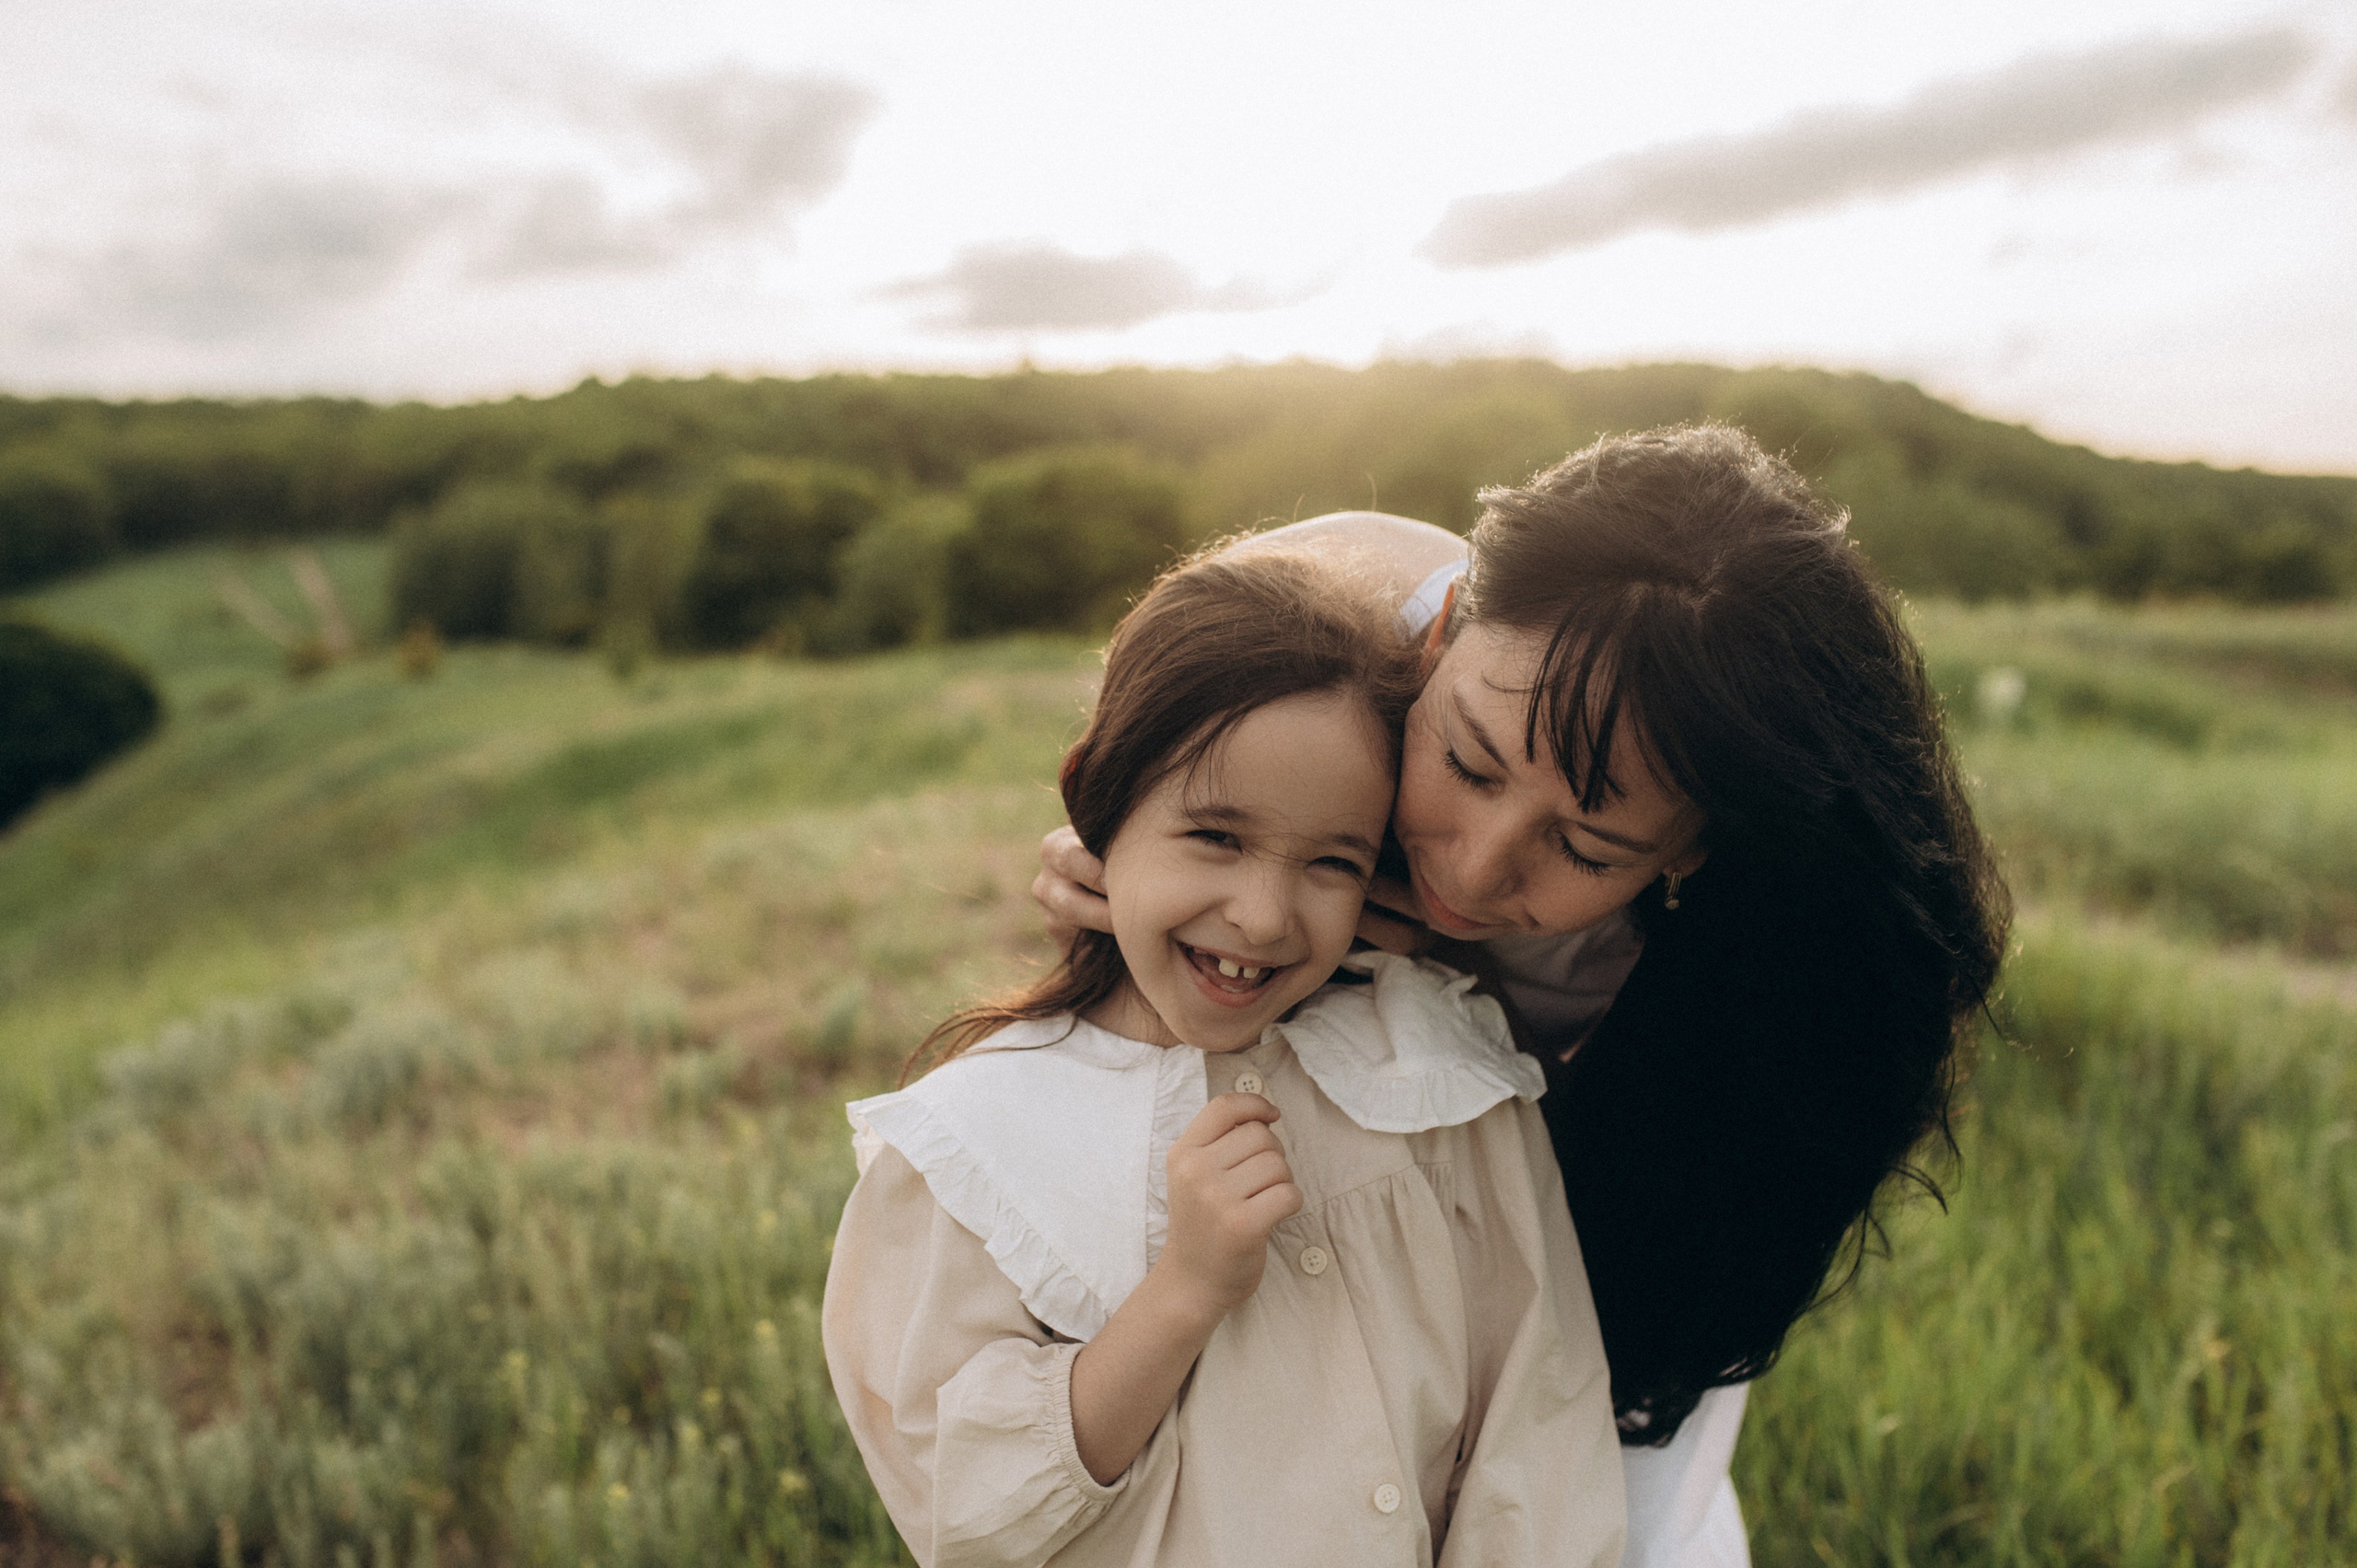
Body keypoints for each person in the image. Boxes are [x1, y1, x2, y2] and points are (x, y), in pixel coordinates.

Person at [1033, 425, 2013, 1568]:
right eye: (1467, 761)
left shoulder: (1744, 985)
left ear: (1692, 851)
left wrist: (1459, 994)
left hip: (1583, 1240)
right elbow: (1159, 802)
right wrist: (1111, 868)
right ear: (1443, 630)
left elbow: (1641, 1298)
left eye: (1586, 847)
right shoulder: (1316, 604)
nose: (1476, 866)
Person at [823, 548, 1628, 1567]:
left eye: (1333, 860)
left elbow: (1539, 1437)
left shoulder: (1437, 1077)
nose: (1261, 914)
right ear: (1096, 803)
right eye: (1214, 835)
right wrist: (1182, 1292)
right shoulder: (978, 1141)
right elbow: (966, 1513)